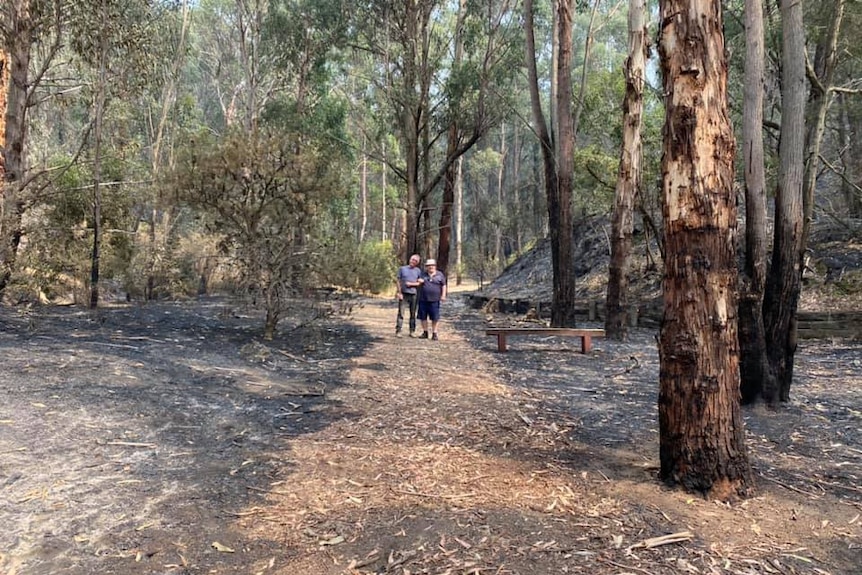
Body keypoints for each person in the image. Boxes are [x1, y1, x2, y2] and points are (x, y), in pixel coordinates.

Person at [417, 258, 447, 340]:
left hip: (435, 300)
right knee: (423, 317)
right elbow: (417, 283)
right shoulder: (423, 274)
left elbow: (443, 285)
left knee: (435, 317)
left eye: (432, 265)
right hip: (423, 299)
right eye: (429, 266)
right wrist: (419, 282)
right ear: (426, 267)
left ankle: (434, 333)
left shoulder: (440, 275)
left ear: (435, 266)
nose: (431, 267)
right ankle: (425, 332)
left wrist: (443, 295)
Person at [395, 254, 423, 337]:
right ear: (410, 259)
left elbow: (420, 282)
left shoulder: (418, 271)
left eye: (415, 261)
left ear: (417, 263)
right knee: (401, 313)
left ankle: (412, 331)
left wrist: (411, 284)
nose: (413, 261)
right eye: (412, 259)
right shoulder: (402, 269)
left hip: (413, 294)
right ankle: (398, 331)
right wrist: (399, 293)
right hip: (403, 293)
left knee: (413, 313)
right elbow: (398, 281)